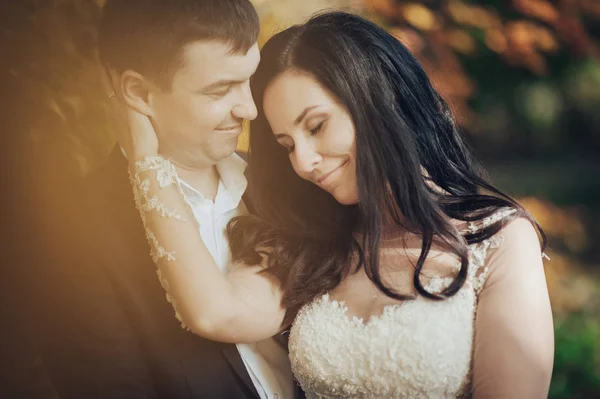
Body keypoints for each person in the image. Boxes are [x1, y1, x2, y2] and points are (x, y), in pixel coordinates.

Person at [118, 11, 555, 399]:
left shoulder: (498, 239)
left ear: (378, 100)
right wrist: (145, 159)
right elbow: (216, 313)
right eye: (286, 144)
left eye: (317, 126)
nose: (303, 162)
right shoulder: (307, 241)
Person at [34, 0, 297, 398]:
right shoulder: (72, 242)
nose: (250, 108)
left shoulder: (287, 176)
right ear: (138, 91)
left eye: (249, 80)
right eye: (220, 89)